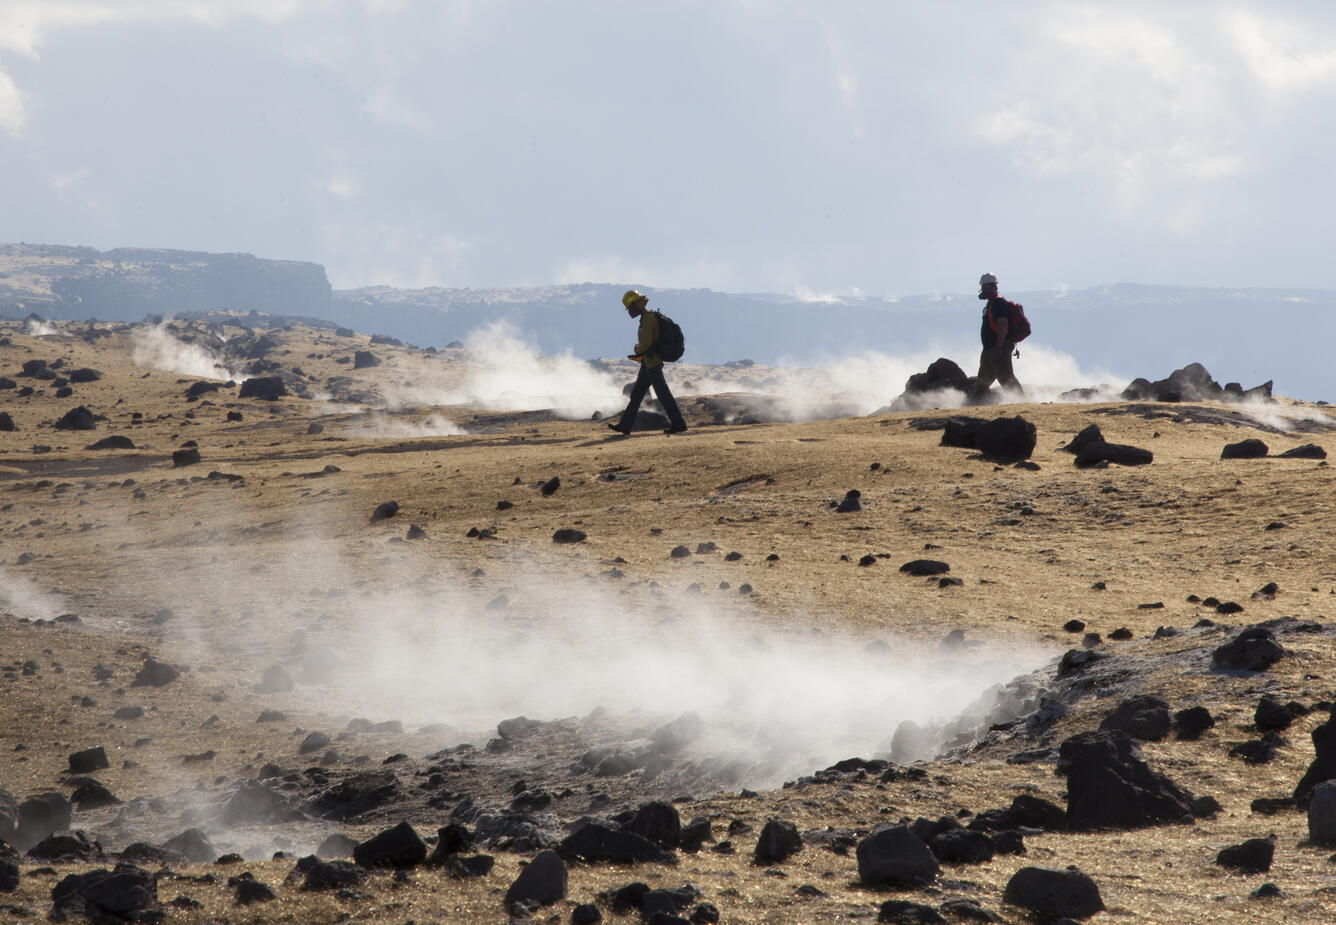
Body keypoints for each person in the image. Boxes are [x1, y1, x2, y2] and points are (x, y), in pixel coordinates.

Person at [608, 289, 688, 435]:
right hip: (649, 363)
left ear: (637, 305)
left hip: (652, 363)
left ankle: (679, 424)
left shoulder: (647, 319)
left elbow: (645, 344)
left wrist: (636, 349)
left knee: (663, 395)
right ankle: (625, 426)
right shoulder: (650, 316)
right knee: (637, 395)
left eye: (631, 308)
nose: (630, 311)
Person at [970, 272, 1023, 403]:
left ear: (993, 286)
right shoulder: (991, 304)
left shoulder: (999, 303)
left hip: (998, 348)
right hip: (990, 349)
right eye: (982, 287)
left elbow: (1003, 325)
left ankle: (1022, 402)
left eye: (985, 286)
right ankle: (973, 405)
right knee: (983, 381)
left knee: (1006, 378)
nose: (983, 289)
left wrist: (999, 347)